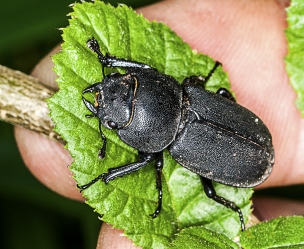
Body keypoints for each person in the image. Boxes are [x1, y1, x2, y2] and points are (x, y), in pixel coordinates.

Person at [14, 0, 304, 248]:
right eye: (128, 83)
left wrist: (106, 175)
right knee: (210, 103)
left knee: (210, 192)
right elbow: (147, 74)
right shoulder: (188, 92)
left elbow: (145, 154)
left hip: (250, 161)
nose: (113, 90)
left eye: (127, 85)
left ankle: (111, 175)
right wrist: (107, 61)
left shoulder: (181, 113)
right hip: (244, 131)